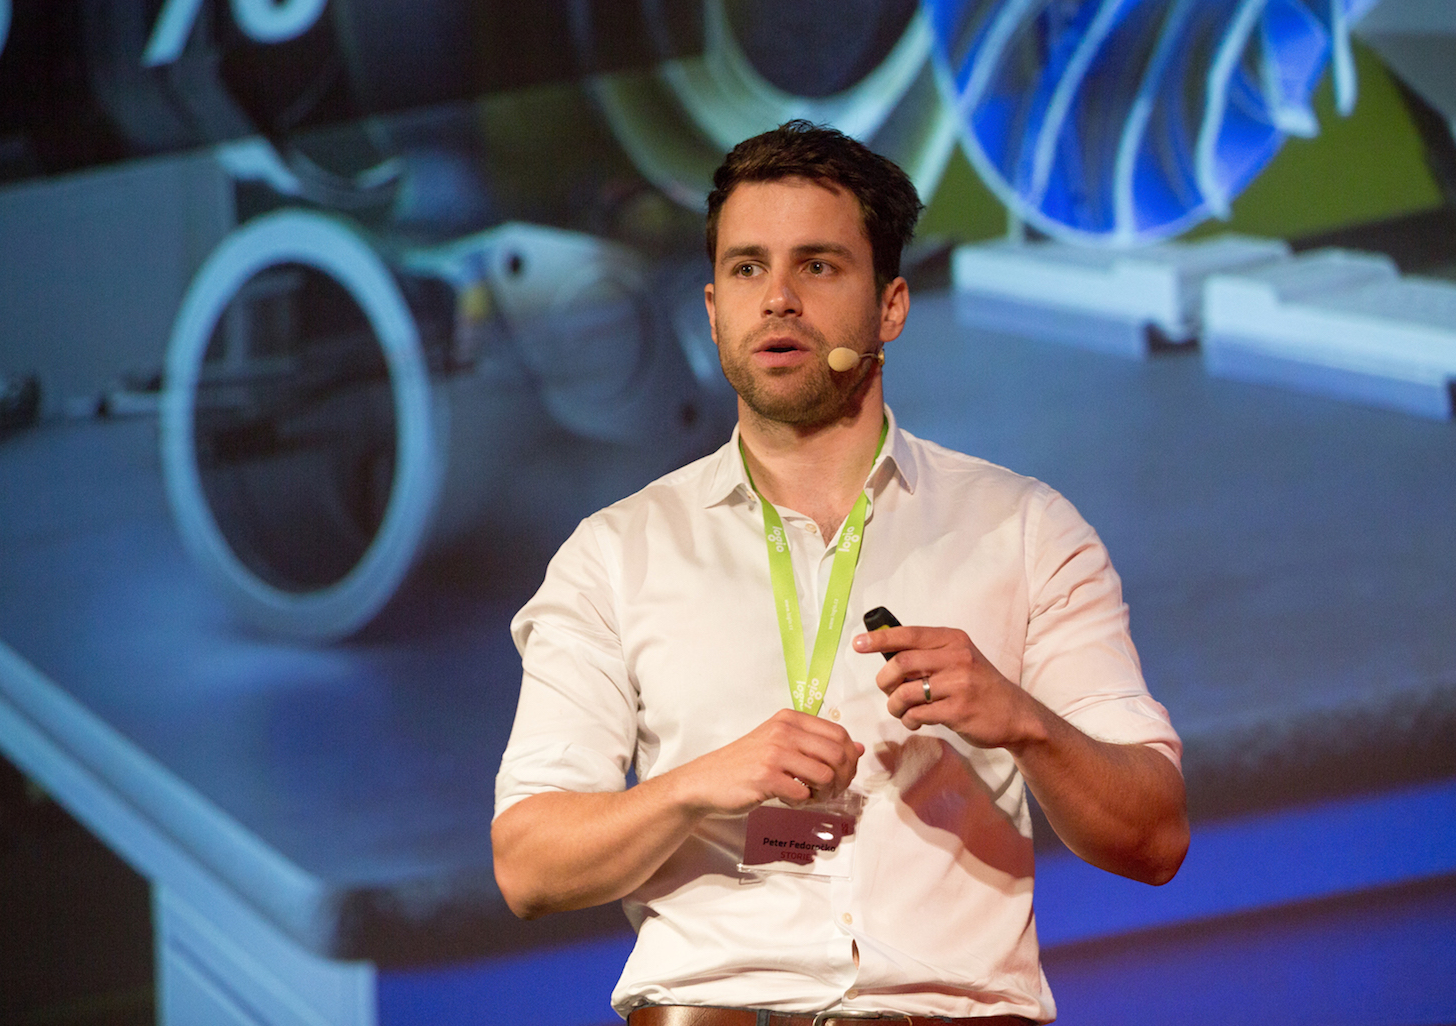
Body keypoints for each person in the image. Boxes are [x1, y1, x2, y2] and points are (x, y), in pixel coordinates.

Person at [491, 121, 1189, 1025]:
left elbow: (1155, 837)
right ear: (712, 308)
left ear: (891, 306)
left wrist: (1024, 720)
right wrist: (698, 783)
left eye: (817, 266)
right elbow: (528, 865)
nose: (778, 298)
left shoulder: (1023, 529)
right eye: (748, 268)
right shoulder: (616, 552)